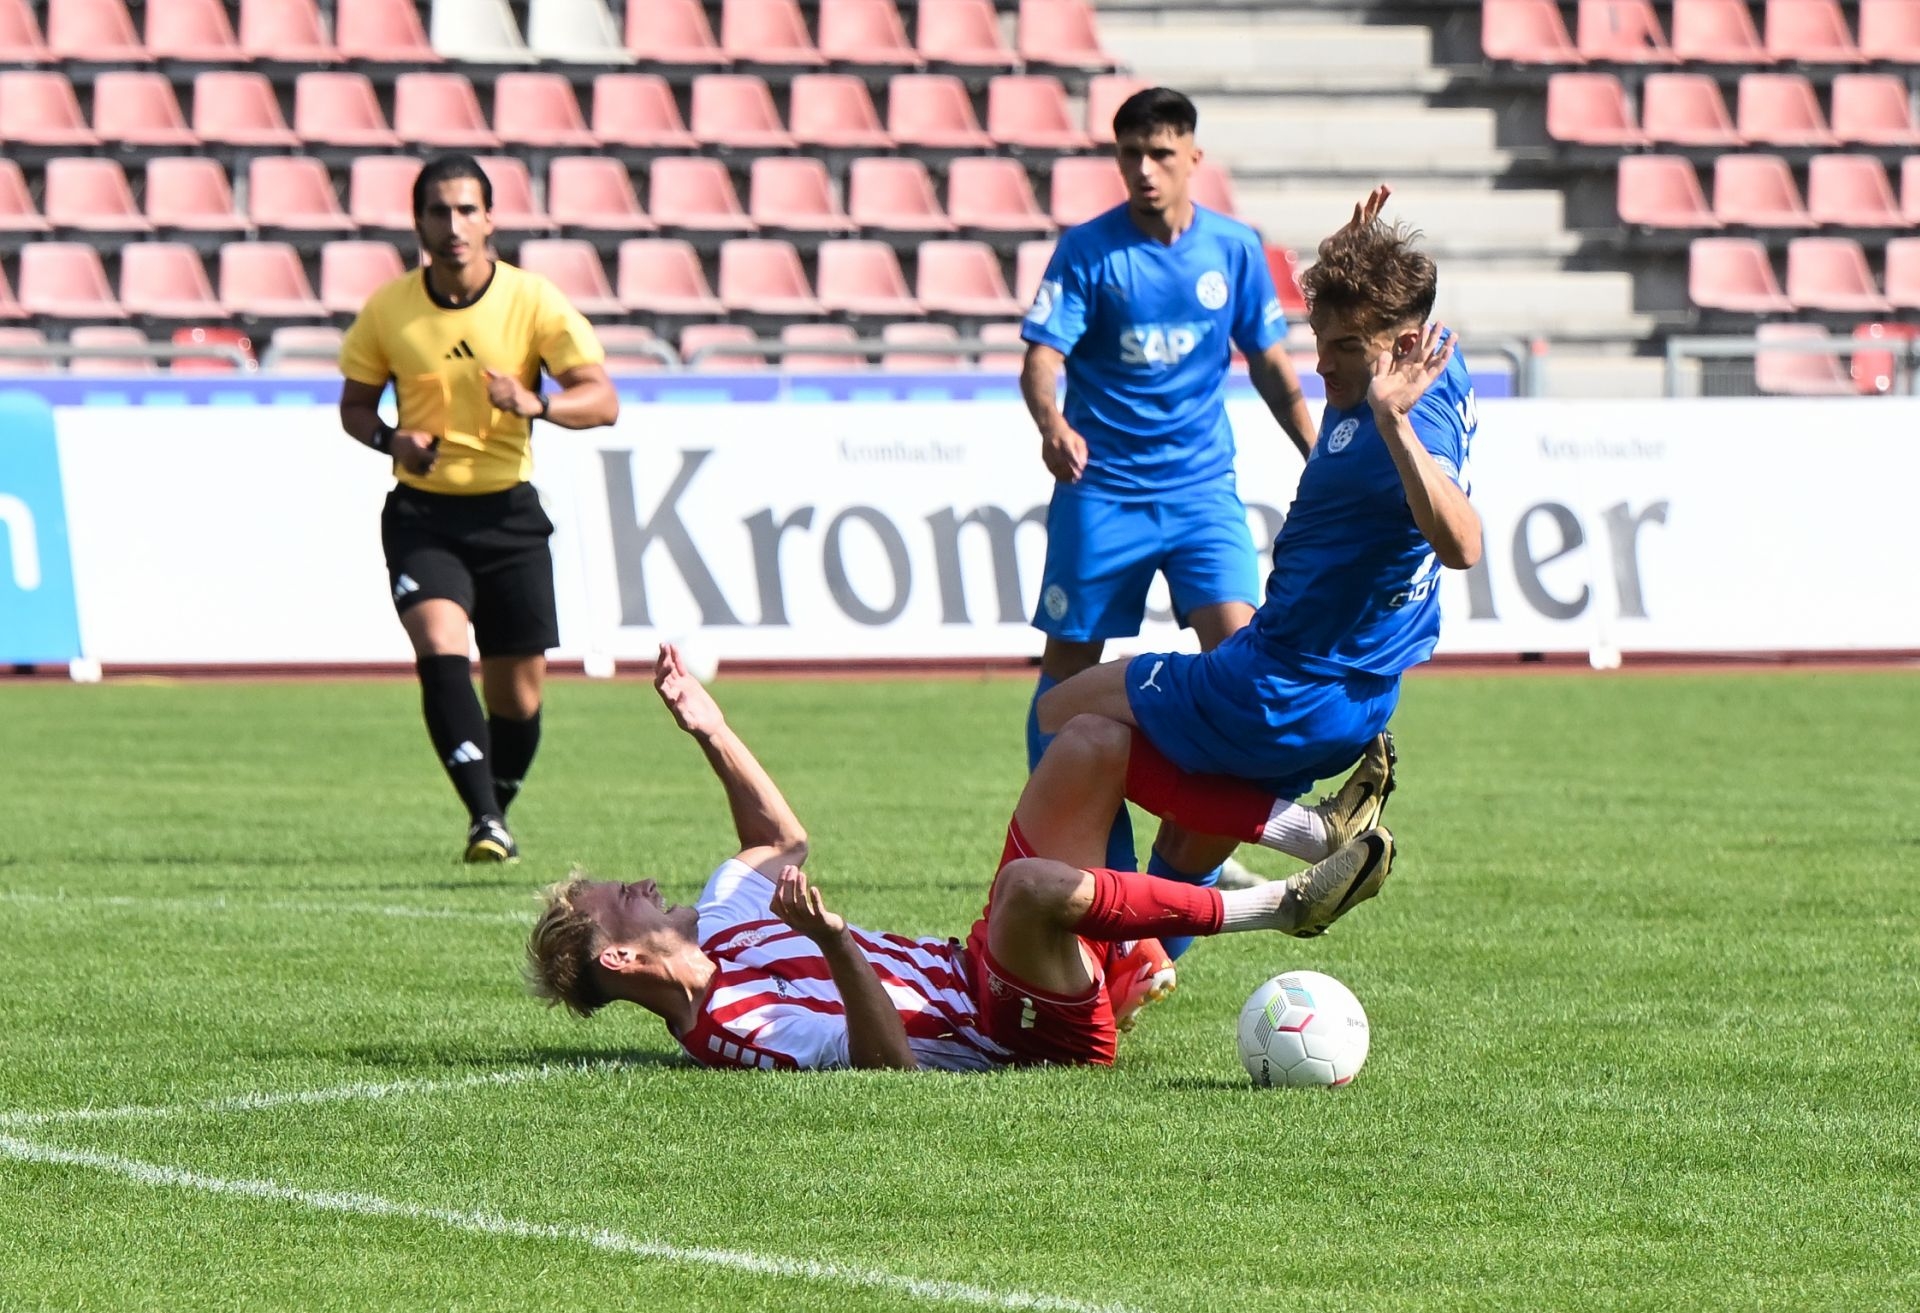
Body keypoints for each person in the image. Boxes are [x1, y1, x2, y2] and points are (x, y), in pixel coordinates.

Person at [522, 646, 1395, 1072]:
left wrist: (712, 729)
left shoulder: (723, 919)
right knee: (1027, 886)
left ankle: (1309, 833)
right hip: (1008, 1027)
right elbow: (886, 1068)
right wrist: (835, 944)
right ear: (621, 957)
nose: (644, 883)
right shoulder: (728, 1027)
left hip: (987, 961)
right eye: (624, 897)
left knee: (1087, 735)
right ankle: (1285, 906)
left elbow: (783, 840)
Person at [1036, 188, 1481, 901]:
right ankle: (1149, 960)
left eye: (1345, 349)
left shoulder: (1395, 432)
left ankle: (1307, 834)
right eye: (1319, 340)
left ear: (1401, 347)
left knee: (1062, 715)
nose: (1322, 365)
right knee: (1185, 849)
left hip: (1276, 687)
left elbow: (1463, 545)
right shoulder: (1438, 353)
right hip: (1360, 700)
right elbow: (1387, 312)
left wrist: (1393, 425)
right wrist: (1355, 255)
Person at [1019, 86, 1318, 892]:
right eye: (1131, 155)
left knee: (1243, 665)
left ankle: (1203, 845)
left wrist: (1316, 450)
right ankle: (1076, 841)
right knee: (1068, 672)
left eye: (1160, 153)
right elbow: (1041, 359)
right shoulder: (1088, 251)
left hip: (1200, 493)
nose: (1145, 170)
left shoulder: (1234, 249)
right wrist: (1051, 422)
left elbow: (1271, 364)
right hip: (1103, 490)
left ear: (1193, 156)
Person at [337, 153, 618, 863]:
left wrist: (536, 403)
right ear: (418, 223)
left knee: (518, 702)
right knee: (439, 646)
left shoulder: (533, 301)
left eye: (467, 210)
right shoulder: (389, 309)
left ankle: (494, 804)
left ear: (490, 219)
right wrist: (392, 440)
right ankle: (486, 821)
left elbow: (603, 400)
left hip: (509, 517)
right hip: (423, 516)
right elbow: (354, 407)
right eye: (439, 211)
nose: (454, 225)